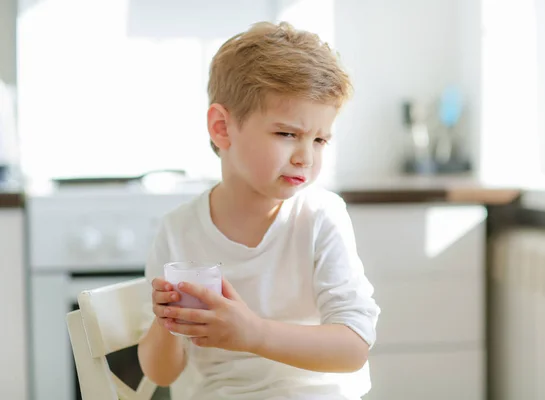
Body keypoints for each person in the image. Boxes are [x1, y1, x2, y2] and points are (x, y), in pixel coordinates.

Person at [138, 21, 380, 400]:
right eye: (287, 134)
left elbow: (353, 347)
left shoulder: (320, 216)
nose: (305, 157)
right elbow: (161, 373)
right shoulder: (178, 232)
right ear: (222, 128)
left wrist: (253, 333)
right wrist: (165, 322)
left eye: (319, 140)